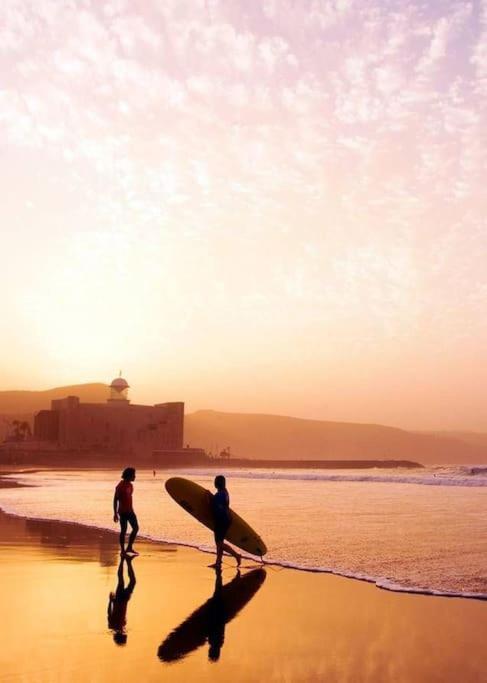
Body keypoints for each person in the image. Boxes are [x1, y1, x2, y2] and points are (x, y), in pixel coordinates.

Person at [210, 475, 241, 569]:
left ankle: (237, 555)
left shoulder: (219, 495)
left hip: (221, 520)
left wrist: (208, 498)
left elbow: (215, 507)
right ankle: (218, 562)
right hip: (226, 519)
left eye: (215, 481)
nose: (214, 483)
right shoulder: (225, 492)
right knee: (219, 542)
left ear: (217, 483)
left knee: (219, 544)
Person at [107, 555, 136, 645]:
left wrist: (111, 601)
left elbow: (109, 613)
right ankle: (128, 561)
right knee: (132, 581)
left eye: (124, 636)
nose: (125, 633)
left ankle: (123, 560)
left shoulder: (112, 626)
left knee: (121, 581)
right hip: (125, 600)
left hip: (119, 600)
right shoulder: (122, 626)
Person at [113, 467, 139, 556]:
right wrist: (115, 513)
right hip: (123, 512)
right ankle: (123, 550)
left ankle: (129, 547)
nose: (135, 477)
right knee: (123, 530)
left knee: (135, 528)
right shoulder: (120, 486)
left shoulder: (130, 485)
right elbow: (115, 500)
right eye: (133, 475)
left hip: (130, 511)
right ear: (129, 476)